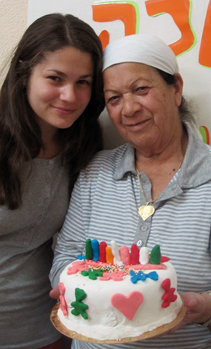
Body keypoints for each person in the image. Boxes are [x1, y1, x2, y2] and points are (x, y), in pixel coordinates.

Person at [50, 34, 211, 348]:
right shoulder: (94, 172)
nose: (128, 109)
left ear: (176, 89)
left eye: (141, 89)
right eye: (114, 98)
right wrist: (75, 287)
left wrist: (202, 307)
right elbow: (66, 254)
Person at [0, 13, 104, 349]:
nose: (69, 96)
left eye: (83, 82)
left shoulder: (83, 145)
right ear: (24, 73)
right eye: (55, 78)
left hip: (49, 330)